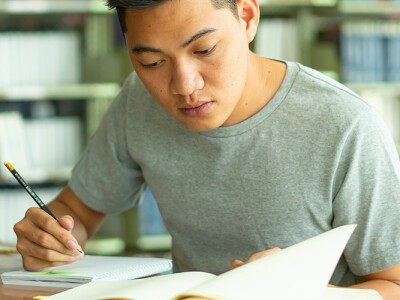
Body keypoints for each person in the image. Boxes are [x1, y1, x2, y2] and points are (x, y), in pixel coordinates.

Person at [13, 0, 400, 298]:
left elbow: (393, 285)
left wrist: (305, 294)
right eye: (152, 62)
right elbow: (77, 211)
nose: (184, 85)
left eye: (204, 50)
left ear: (247, 17)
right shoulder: (138, 102)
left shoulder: (345, 124)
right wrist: (51, 237)